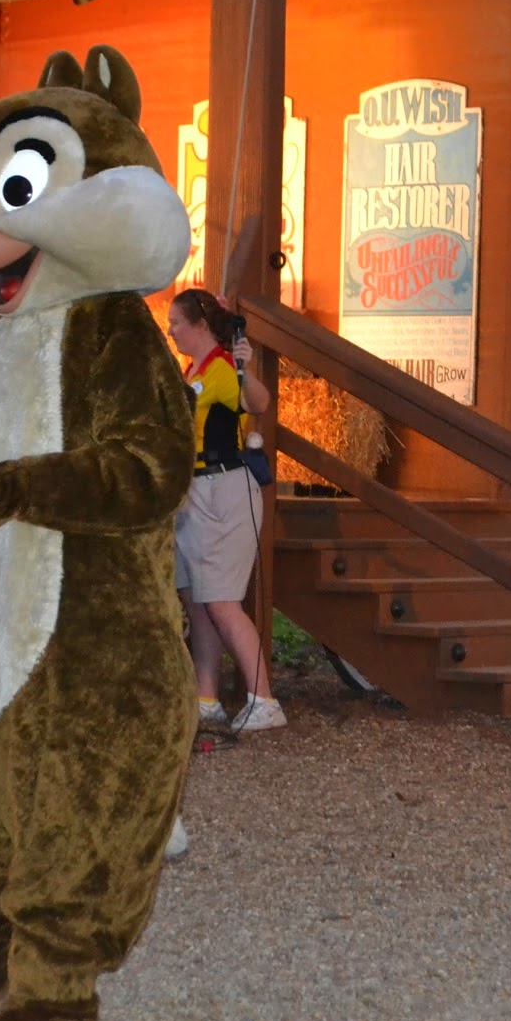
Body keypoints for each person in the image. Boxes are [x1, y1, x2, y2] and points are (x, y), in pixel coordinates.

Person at [165, 287, 286, 733]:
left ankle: (263, 698)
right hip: (195, 490)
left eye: (177, 322)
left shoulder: (220, 368)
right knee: (199, 598)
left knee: (220, 599)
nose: (172, 330)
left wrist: (243, 366)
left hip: (223, 489)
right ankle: (206, 696)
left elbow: (258, 403)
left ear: (199, 325)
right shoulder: (191, 369)